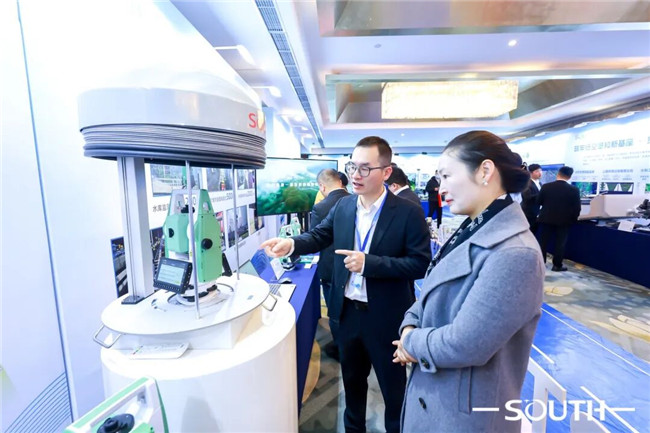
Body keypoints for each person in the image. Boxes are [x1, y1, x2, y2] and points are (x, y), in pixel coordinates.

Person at [262, 136, 431, 433]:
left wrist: (370, 264)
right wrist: (291, 244)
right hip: (347, 314)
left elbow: (419, 263)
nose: (355, 174)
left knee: (394, 393)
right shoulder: (344, 206)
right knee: (352, 387)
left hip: (387, 317)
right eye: (353, 166)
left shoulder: (407, 212)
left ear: (386, 172)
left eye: (365, 168)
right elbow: (319, 235)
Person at [392, 130, 544, 433]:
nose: (441, 188)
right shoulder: (473, 228)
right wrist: (409, 326)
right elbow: (429, 294)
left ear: (485, 171)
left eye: (447, 176)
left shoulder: (515, 253)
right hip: (439, 398)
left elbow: (467, 344)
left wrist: (410, 342)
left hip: (465, 415)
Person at [310, 168, 350, 361]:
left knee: (334, 313)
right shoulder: (355, 201)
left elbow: (315, 239)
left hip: (330, 268)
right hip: (352, 266)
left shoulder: (320, 207)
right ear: (340, 182)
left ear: (322, 186)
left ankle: (340, 349)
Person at [537, 166, 581, 271]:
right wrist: (573, 219)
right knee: (560, 243)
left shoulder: (546, 187)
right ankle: (557, 265)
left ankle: (541, 263)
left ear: (558, 174)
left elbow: (539, 201)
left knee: (543, 242)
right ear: (569, 177)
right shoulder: (574, 190)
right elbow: (577, 208)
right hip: (564, 221)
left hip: (546, 218)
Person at [521, 163, 543, 233]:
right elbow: (527, 197)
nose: (540, 173)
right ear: (531, 173)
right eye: (537, 171)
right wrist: (542, 194)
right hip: (529, 213)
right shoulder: (527, 183)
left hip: (538, 213)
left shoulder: (540, 183)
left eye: (540, 171)